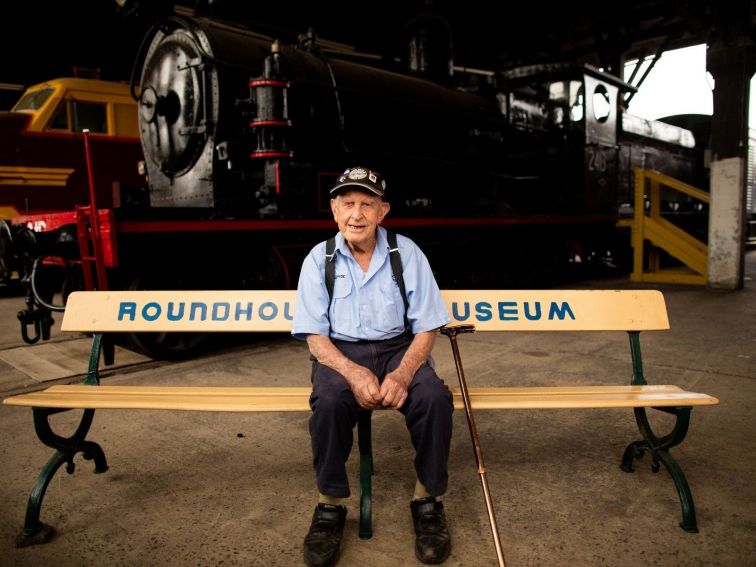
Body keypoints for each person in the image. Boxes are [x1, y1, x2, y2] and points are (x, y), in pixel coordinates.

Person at [292, 166, 454, 567]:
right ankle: (329, 507)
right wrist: (353, 372)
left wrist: (402, 372)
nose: (356, 214)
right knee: (328, 402)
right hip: (341, 353)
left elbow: (428, 325)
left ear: (383, 211)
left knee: (434, 398)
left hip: (400, 347)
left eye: (367, 204)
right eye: (348, 203)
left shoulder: (406, 252)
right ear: (334, 210)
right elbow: (315, 337)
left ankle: (427, 501)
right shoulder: (319, 260)